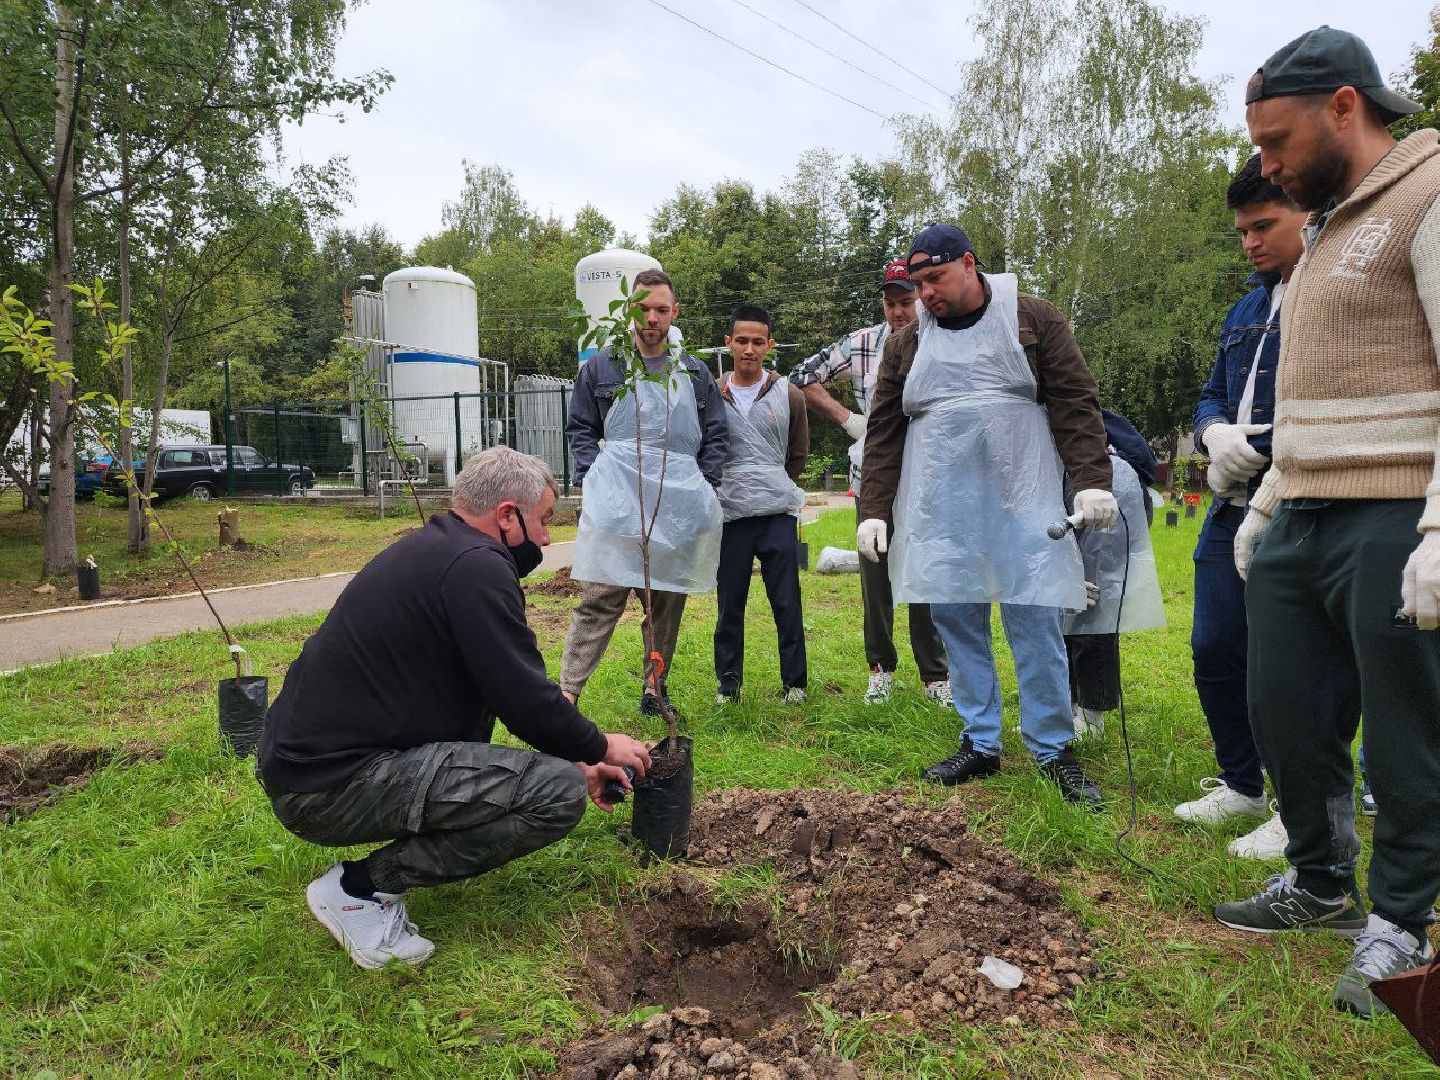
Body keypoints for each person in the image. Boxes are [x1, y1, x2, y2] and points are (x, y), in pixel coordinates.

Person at [1213, 26, 1439, 1018]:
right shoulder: (1322, 231)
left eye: (1276, 141)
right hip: (1301, 512)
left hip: (1394, 508)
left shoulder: (1428, 196)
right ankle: (1318, 882)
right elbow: (1310, 393)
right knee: (1284, 707)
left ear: (1344, 107)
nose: (1265, 164)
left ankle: (1399, 923)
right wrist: (1266, 504)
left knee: (1403, 731)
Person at [256, 447, 651, 970]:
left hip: (307, 770)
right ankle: (359, 890)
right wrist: (600, 746)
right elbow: (526, 699)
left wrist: (577, 758)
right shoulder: (476, 567)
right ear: (508, 516)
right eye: (544, 521)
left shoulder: (441, 551)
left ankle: (369, 882)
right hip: (326, 788)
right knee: (555, 795)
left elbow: (495, 687)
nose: (548, 539)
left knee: (557, 774)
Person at [859, 224, 1117, 804]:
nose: (925, 295)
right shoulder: (907, 343)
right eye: (917, 284)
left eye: (935, 279)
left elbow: (1075, 403)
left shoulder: (1032, 320)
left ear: (970, 265)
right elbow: (884, 430)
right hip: (941, 505)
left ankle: (1053, 749)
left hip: (1022, 496)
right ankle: (980, 742)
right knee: (956, 620)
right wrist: (874, 509)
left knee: (1036, 617)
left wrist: (1093, 482)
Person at [1174, 154, 1307, 860]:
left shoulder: (1326, 297)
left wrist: (1263, 445)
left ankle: (1299, 805)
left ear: (1307, 214)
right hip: (1228, 504)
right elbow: (1210, 391)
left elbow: (1330, 398)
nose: (1252, 242)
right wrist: (1212, 432)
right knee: (1214, 646)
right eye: (1243, 232)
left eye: (1265, 225)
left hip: (1297, 501)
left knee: (1287, 663)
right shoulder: (1247, 307)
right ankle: (1242, 784)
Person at [561, 268, 727, 714]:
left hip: (673, 509)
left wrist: (705, 488)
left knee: (665, 603)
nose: (652, 318)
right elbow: (580, 426)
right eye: (643, 308)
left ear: (674, 313)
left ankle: (655, 689)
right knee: (599, 600)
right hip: (616, 508)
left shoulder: (693, 372)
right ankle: (566, 694)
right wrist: (593, 476)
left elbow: (715, 434)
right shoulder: (603, 364)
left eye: (661, 310)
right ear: (629, 309)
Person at [789, 259, 950, 707]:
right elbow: (802, 376)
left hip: (928, 475)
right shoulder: (862, 343)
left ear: (919, 298)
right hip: (874, 473)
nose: (899, 312)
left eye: (907, 302)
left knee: (924, 572)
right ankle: (880, 668)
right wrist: (849, 420)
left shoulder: (941, 337)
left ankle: (934, 673)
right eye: (891, 304)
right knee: (875, 573)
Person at [713, 304, 810, 704]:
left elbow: (798, 451)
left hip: (777, 516)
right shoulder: (714, 393)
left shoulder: (790, 395)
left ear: (769, 345)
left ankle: (795, 684)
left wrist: (774, 485)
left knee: (786, 600)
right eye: (741, 341)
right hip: (731, 517)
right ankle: (728, 685)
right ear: (728, 343)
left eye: (757, 342)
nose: (749, 349)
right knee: (729, 603)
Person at [1065, 410, 1165, 739]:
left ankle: (1093, 714)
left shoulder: (1084, 420)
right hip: (1064, 506)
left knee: (1094, 606)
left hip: (1112, 503)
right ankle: (1065, 707)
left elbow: (1141, 463)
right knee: (1058, 605)